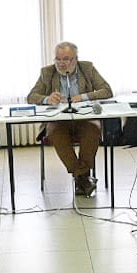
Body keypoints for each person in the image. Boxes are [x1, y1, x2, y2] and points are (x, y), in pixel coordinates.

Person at [28, 42, 112, 196]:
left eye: (66, 59)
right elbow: (31, 97)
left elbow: (107, 91)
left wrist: (83, 97)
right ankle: (83, 178)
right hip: (59, 120)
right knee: (54, 132)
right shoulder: (47, 73)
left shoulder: (87, 68)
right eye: (58, 59)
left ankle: (81, 178)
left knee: (93, 130)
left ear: (75, 59)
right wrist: (47, 99)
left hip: (84, 118)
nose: (61, 63)